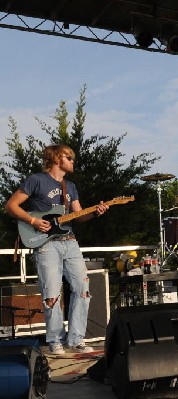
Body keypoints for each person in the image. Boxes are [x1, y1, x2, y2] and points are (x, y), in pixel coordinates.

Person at [5, 145, 109, 355]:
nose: (73, 161)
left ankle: (76, 339)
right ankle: (55, 340)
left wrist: (97, 212)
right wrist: (33, 220)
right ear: (56, 158)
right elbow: (11, 206)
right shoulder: (36, 180)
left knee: (83, 290)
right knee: (51, 294)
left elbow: (78, 216)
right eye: (69, 157)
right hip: (46, 244)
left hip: (70, 241)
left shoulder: (69, 186)